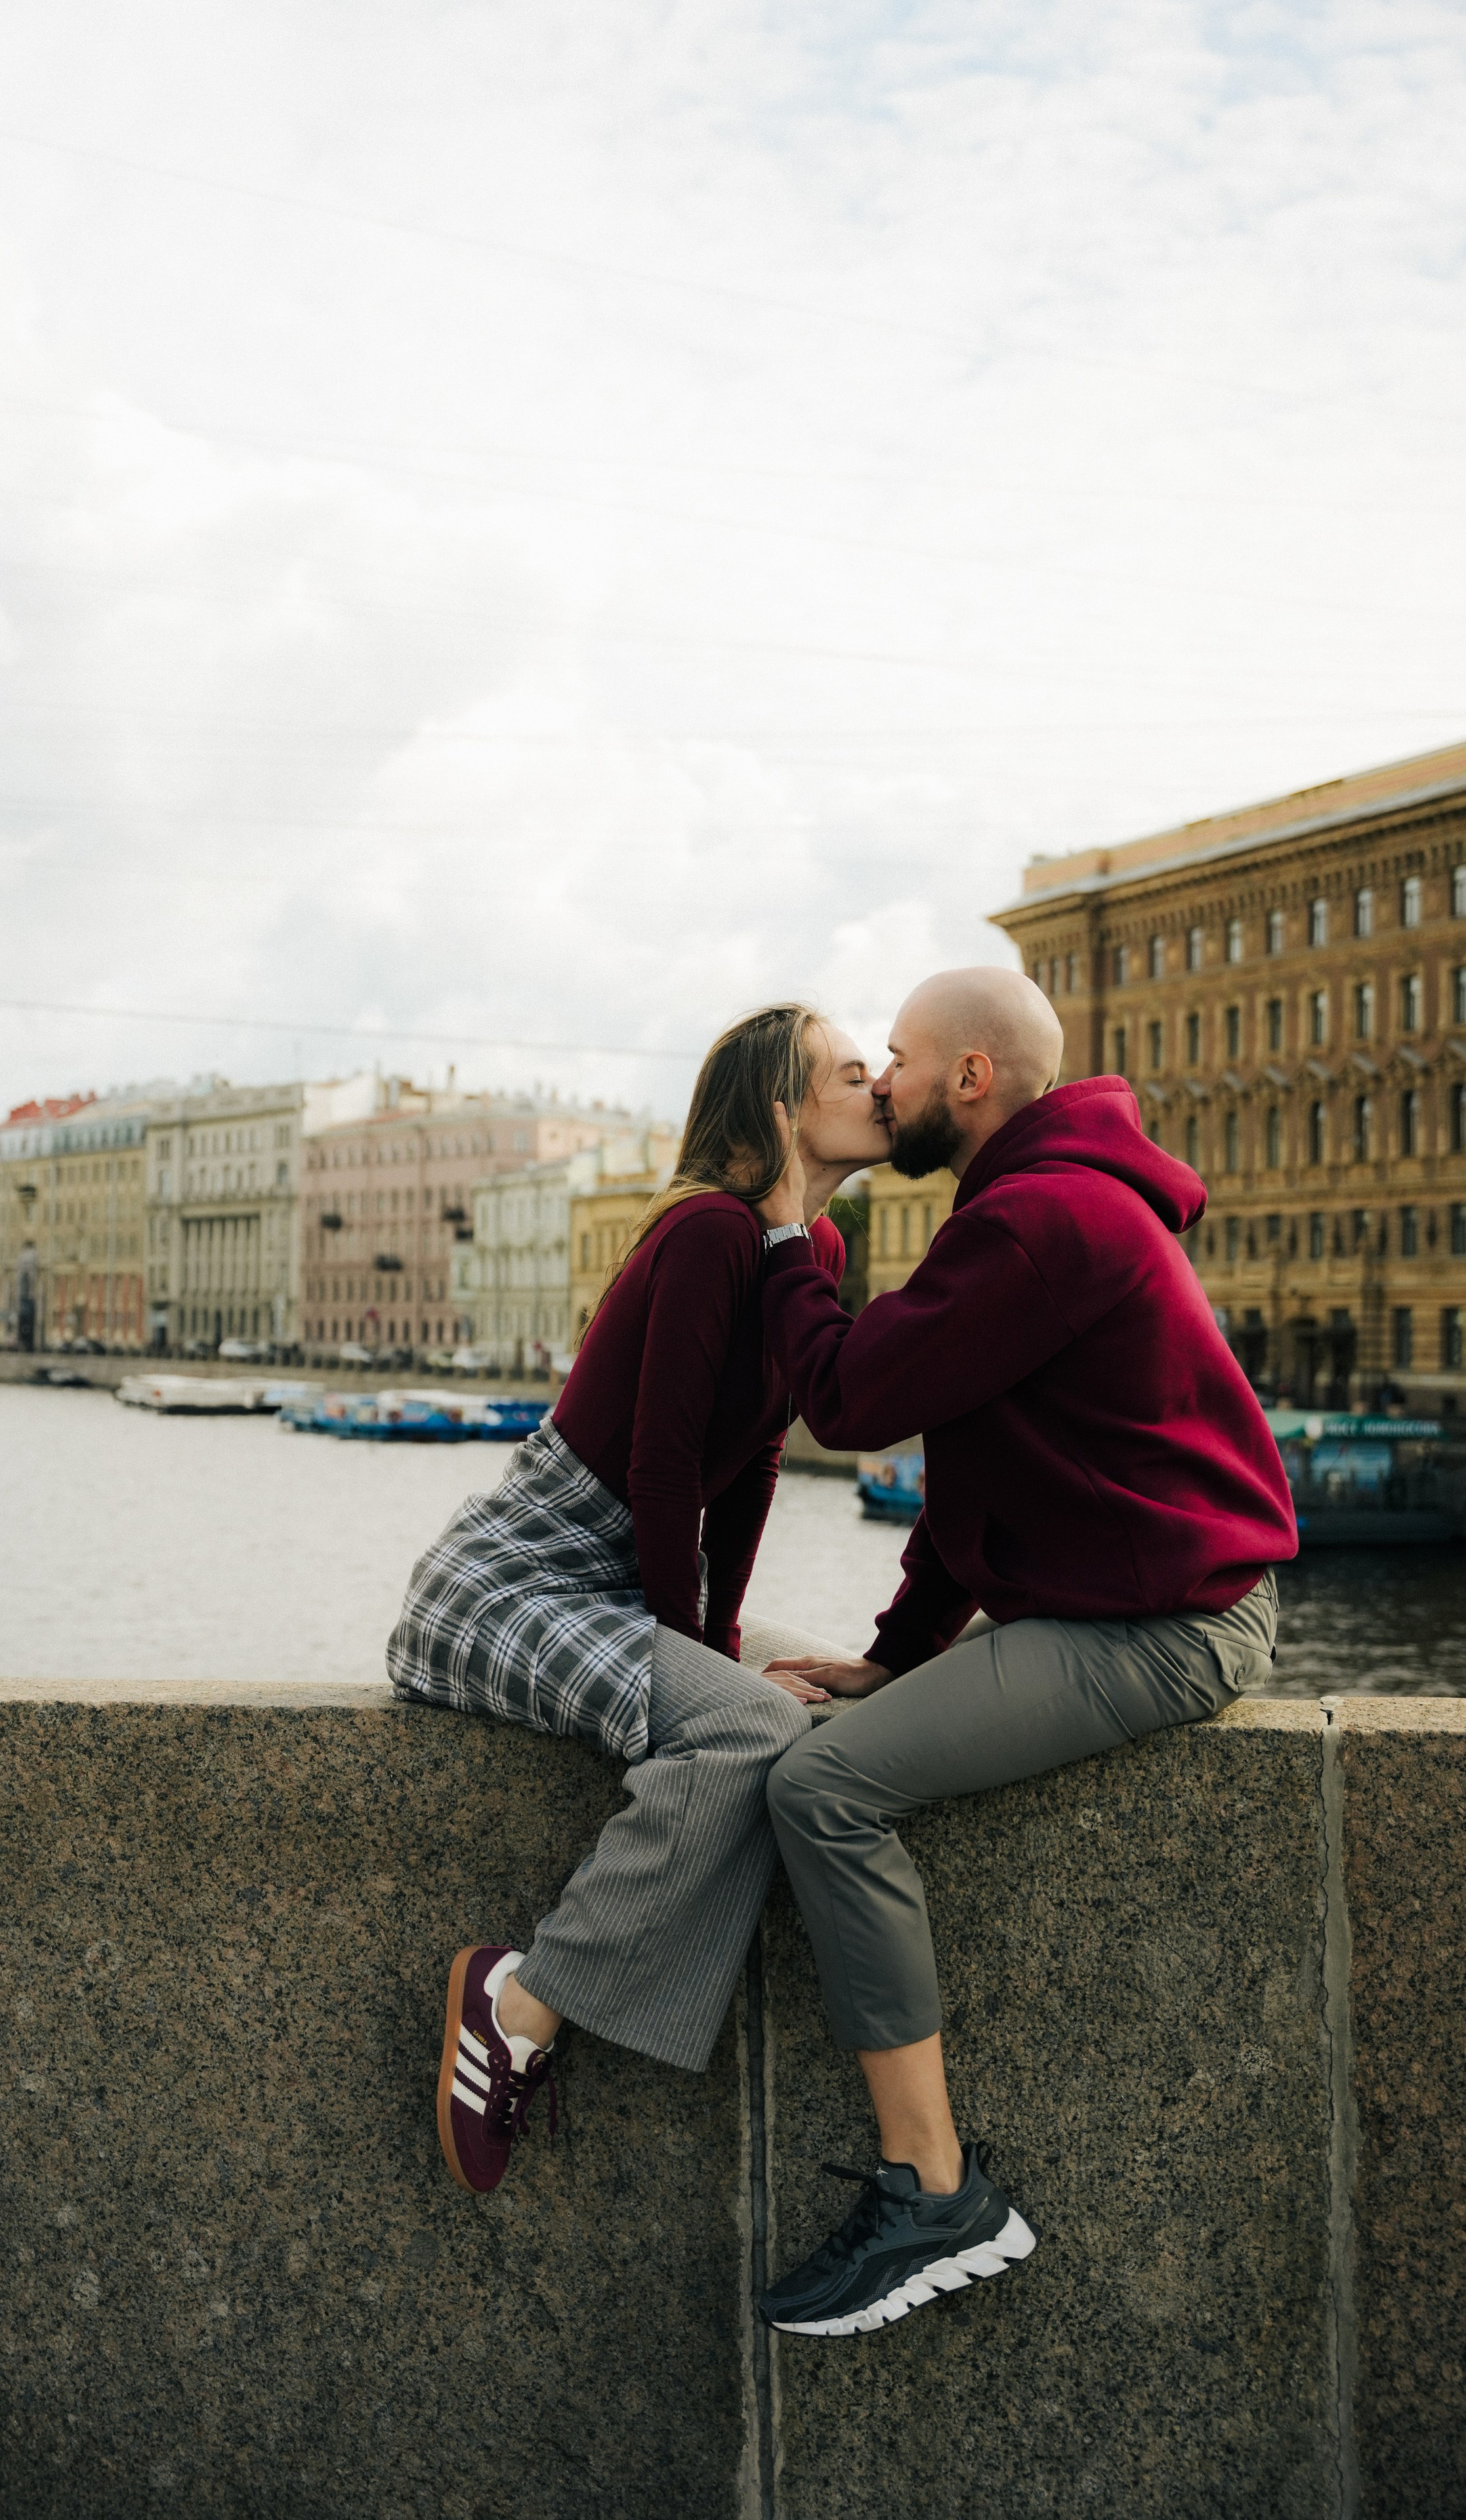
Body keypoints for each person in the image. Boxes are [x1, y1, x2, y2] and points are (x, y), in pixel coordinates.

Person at [747, 965, 1299, 2338]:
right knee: (828, 1743)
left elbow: (850, 1396)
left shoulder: (1041, 1223)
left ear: (971, 1078)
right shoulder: (1031, 1207)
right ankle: (928, 2185)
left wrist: (783, 1235)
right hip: (1119, 1599)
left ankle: (933, 2191)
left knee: (821, 1791)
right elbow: (974, 1474)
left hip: (1168, 1625)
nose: (880, 1081)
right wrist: (900, 1655)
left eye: (897, 1058)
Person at [387, 1003, 890, 2195]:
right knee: (752, 1721)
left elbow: (758, 1463)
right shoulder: (709, 1233)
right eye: (851, 1071)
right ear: (778, 1106)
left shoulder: (806, 1255)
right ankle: (520, 2004)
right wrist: (705, 1658)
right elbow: (665, 1465)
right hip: (514, 1580)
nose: (879, 1087)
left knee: (826, 1697)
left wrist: (710, 1639)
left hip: (623, 1580)